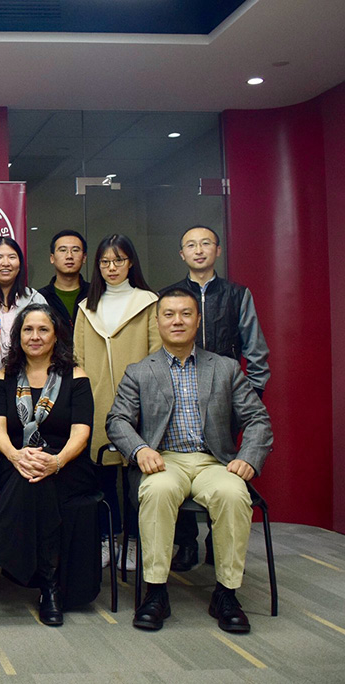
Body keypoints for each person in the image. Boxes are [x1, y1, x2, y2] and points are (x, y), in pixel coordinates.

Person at [106, 288, 272, 633]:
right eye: (169, 314)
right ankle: (155, 591)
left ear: (198, 321)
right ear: (158, 321)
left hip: (215, 462)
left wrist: (248, 459)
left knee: (233, 494)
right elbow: (117, 420)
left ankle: (226, 593)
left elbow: (258, 419)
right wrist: (140, 449)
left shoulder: (225, 368)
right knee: (157, 492)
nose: (177, 321)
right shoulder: (139, 371)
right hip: (164, 460)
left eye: (185, 314)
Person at [0, 304, 98, 625]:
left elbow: (81, 431)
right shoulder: (3, 377)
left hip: (68, 464)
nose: (35, 337)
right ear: (18, 335)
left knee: (39, 478)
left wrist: (57, 460)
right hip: (15, 460)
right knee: (34, 479)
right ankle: (49, 589)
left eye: (43, 330)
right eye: (28, 330)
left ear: (56, 335)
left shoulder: (75, 376)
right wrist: (16, 455)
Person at [162, 225, 271, 572]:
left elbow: (255, 351)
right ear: (182, 254)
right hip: (178, 392)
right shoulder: (170, 296)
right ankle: (185, 543)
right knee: (174, 462)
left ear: (218, 251)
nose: (198, 250)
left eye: (205, 244)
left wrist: (247, 398)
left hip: (227, 397)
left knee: (221, 465)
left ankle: (216, 539)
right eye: (190, 245)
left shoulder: (238, 295)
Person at [73, 234, 160, 572]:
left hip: (140, 403)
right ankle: (110, 539)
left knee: (137, 479)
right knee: (103, 477)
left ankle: (136, 542)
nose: (111, 268)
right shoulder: (86, 306)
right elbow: (77, 358)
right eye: (105, 262)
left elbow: (157, 355)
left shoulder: (148, 302)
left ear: (131, 263)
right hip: (96, 402)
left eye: (118, 261)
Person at [0, 236, 47, 370]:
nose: (6, 263)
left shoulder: (35, 299)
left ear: (20, 264)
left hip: (29, 379)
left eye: (12, 257)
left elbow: (47, 340)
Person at [39, 230, 89, 331]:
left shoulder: (96, 293)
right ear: (52, 258)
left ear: (84, 258)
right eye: (62, 250)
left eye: (75, 250)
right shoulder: (40, 298)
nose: (69, 256)